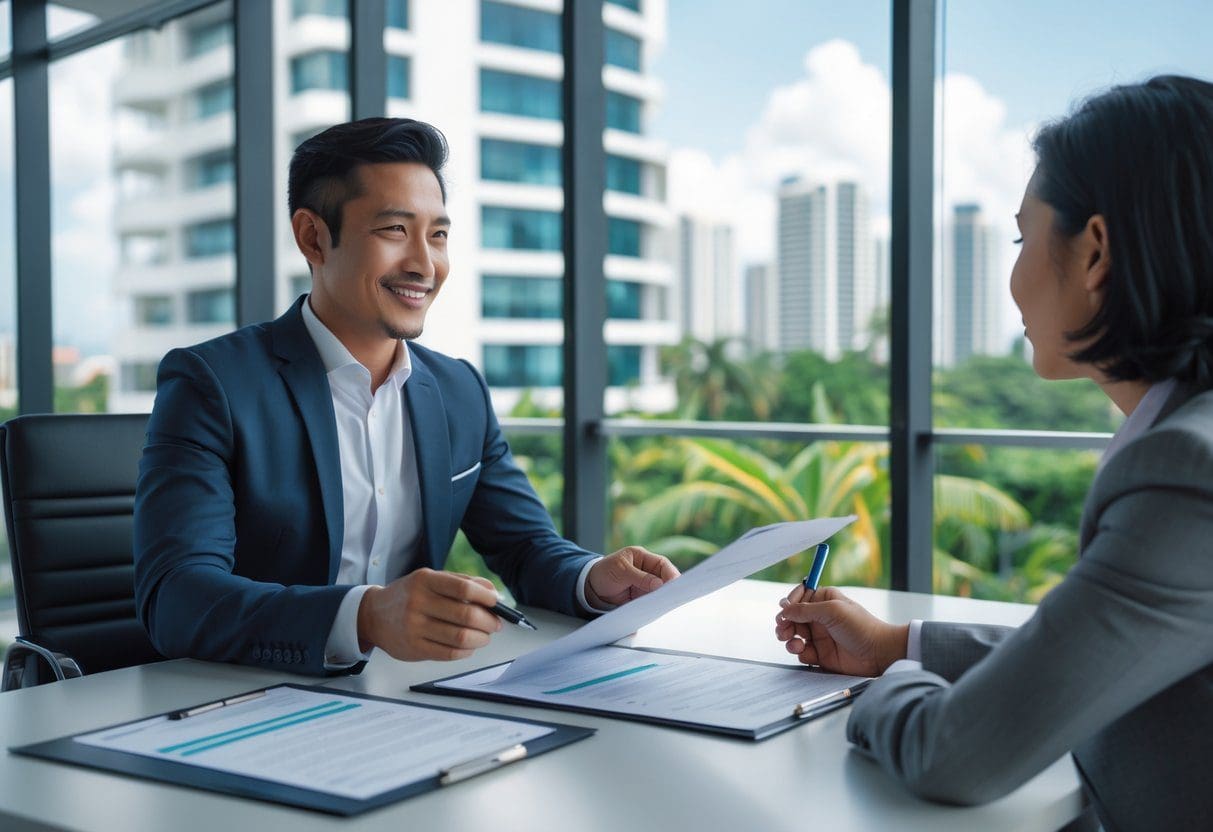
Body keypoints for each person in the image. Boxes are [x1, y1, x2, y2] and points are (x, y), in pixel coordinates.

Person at [775, 75, 1213, 830]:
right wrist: (897, 644)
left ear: (1095, 253)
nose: (1013, 273)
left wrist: (884, 688)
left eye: (1022, 237)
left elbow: (957, 755)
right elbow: (1104, 645)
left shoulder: (1183, 474)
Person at [133, 117, 678, 677]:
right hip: (239, 700)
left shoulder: (458, 391)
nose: (424, 264)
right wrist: (365, 616)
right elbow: (176, 598)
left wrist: (593, 581)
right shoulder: (213, 384)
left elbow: (526, 548)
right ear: (313, 237)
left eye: (438, 235)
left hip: (403, 699)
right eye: (395, 230)